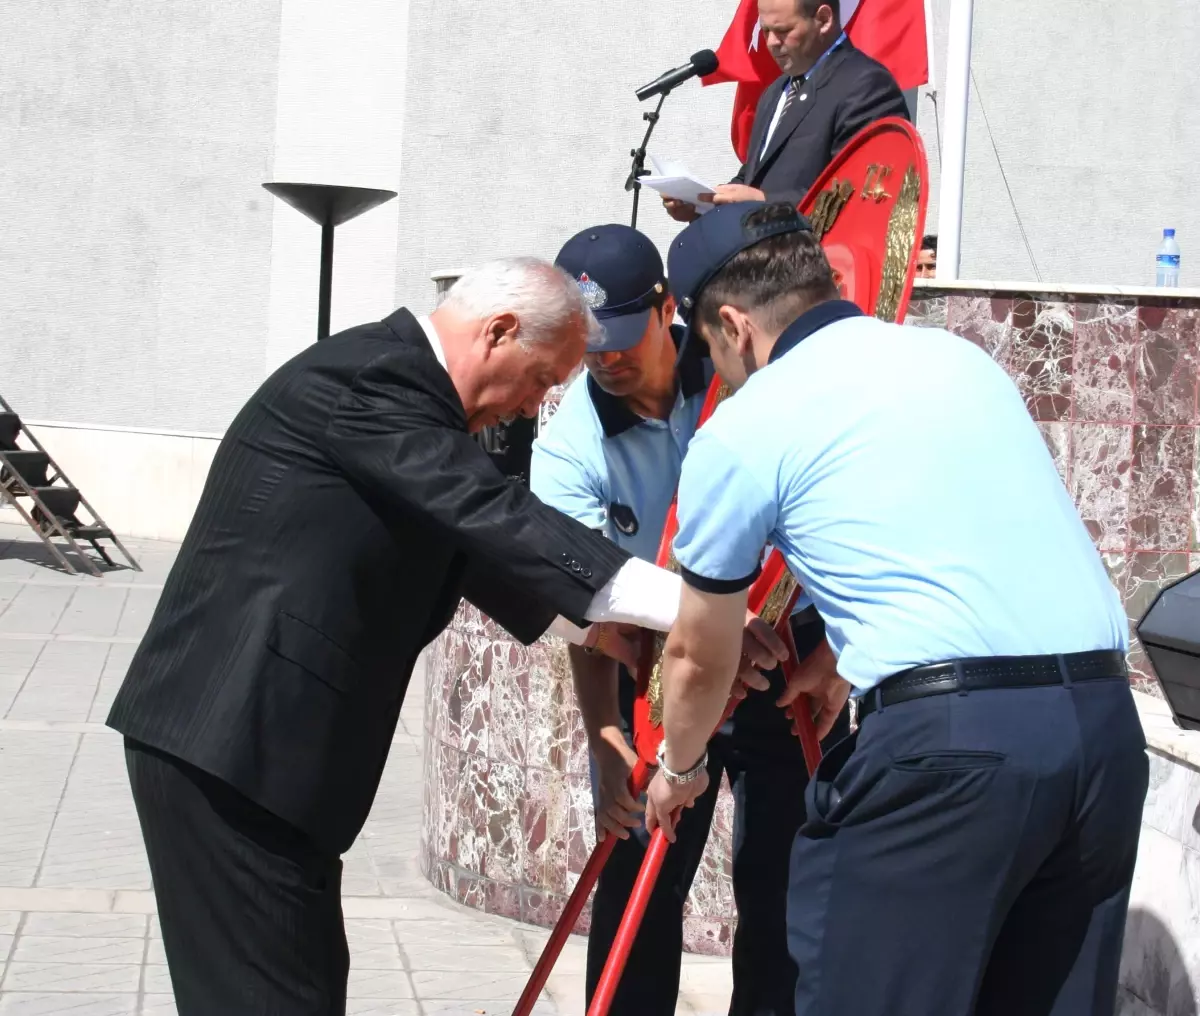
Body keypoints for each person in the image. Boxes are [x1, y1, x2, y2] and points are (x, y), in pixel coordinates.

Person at [107, 256, 787, 1016]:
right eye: (540, 379)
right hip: (232, 744)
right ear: (498, 332)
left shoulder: (410, 407)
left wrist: (606, 636)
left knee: (297, 987)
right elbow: (494, 518)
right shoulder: (377, 380)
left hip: (261, 757)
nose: (534, 408)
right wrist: (704, 605)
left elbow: (466, 552)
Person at [644, 202, 1148, 1016]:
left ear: (733, 326)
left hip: (951, 754)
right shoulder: (959, 361)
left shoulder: (746, 427)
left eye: (709, 349)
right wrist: (840, 659)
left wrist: (679, 765)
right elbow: (965, 536)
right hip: (1100, 729)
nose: (719, 374)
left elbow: (701, 653)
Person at [532, 224, 847, 1016]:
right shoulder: (571, 444)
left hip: (785, 654)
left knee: (785, 886)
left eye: (620, 338)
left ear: (668, 309)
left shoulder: (741, 366)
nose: (603, 358)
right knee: (639, 873)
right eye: (586, 342)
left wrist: (836, 647)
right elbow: (589, 610)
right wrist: (606, 739)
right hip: (659, 667)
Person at [664, 0, 909, 223]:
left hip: (817, 265)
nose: (770, 42)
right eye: (765, 31)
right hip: (764, 263)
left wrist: (763, 203)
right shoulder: (776, 92)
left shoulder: (866, 85)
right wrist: (702, 204)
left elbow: (862, 194)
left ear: (823, 20)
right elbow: (753, 178)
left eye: (782, 31)